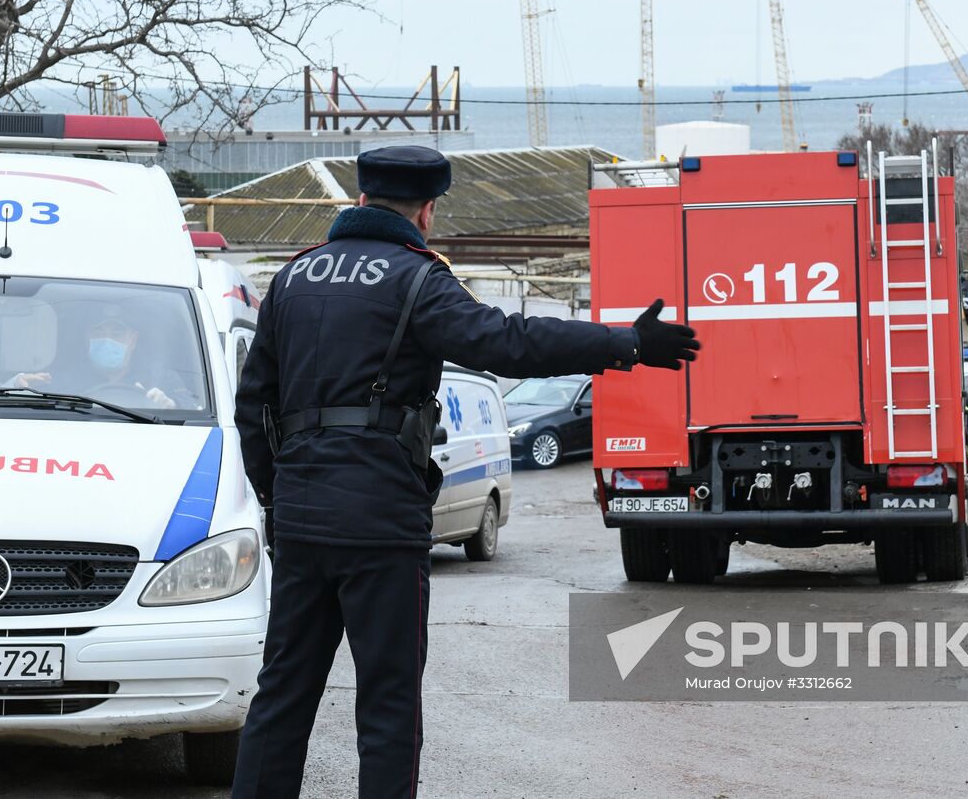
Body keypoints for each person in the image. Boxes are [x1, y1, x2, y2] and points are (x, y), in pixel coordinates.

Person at [232, 145, 699, 799]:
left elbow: (252, 407)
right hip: (382, 527)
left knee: (281, 698)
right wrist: (622, 343)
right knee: (388, 708)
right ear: (425, 212)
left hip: (304, 522)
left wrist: (278, 503)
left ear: (361, 201)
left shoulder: (293, 279)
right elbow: (509, 342)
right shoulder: (419, 279)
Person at [81, 311, 184, 407]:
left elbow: (192, 404)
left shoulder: (160, 376)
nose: (107, 341)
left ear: (133, 339)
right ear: (87, 339)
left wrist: (170, 404)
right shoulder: (69, 380)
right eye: (98, 334)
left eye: (116, 334)